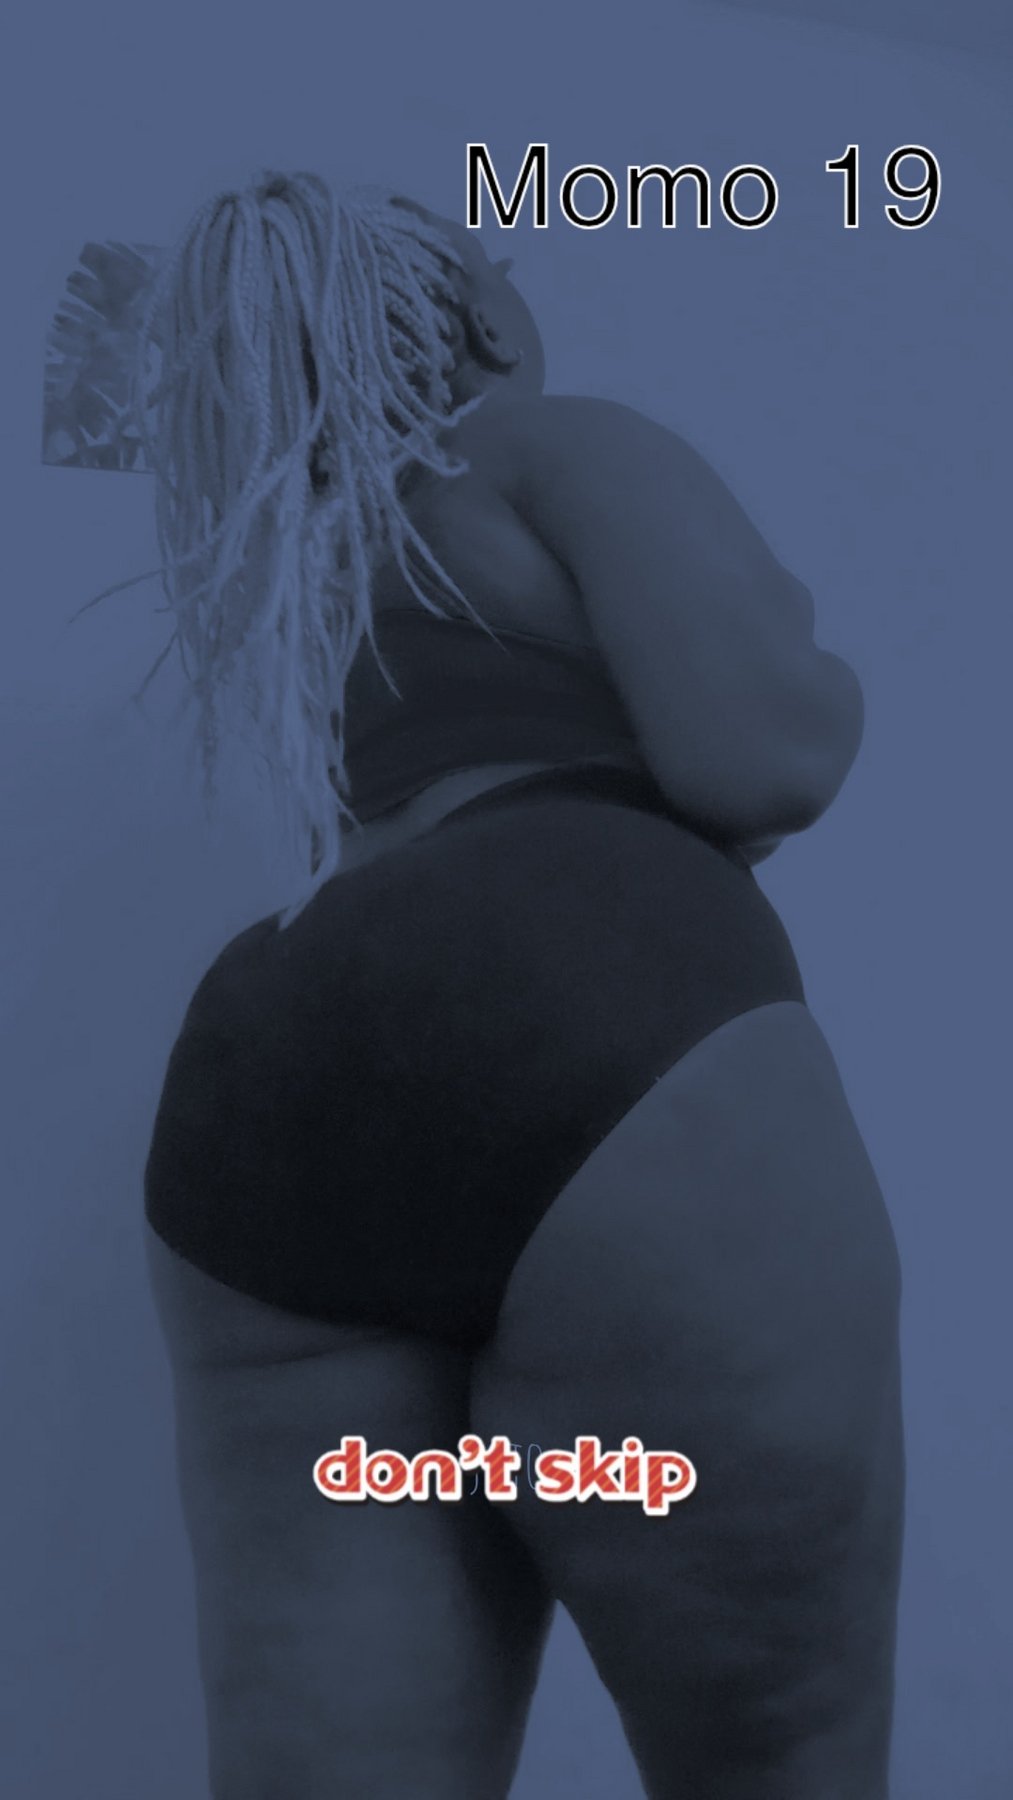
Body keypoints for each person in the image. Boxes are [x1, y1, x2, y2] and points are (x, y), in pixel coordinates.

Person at [138, 171, 904, 1799]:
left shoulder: (303, 564)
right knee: (779, 1757)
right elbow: (759, 754)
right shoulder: (545, 447)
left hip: (280, 1065)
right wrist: (819, 667)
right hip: (596, 996)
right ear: (487, 317)